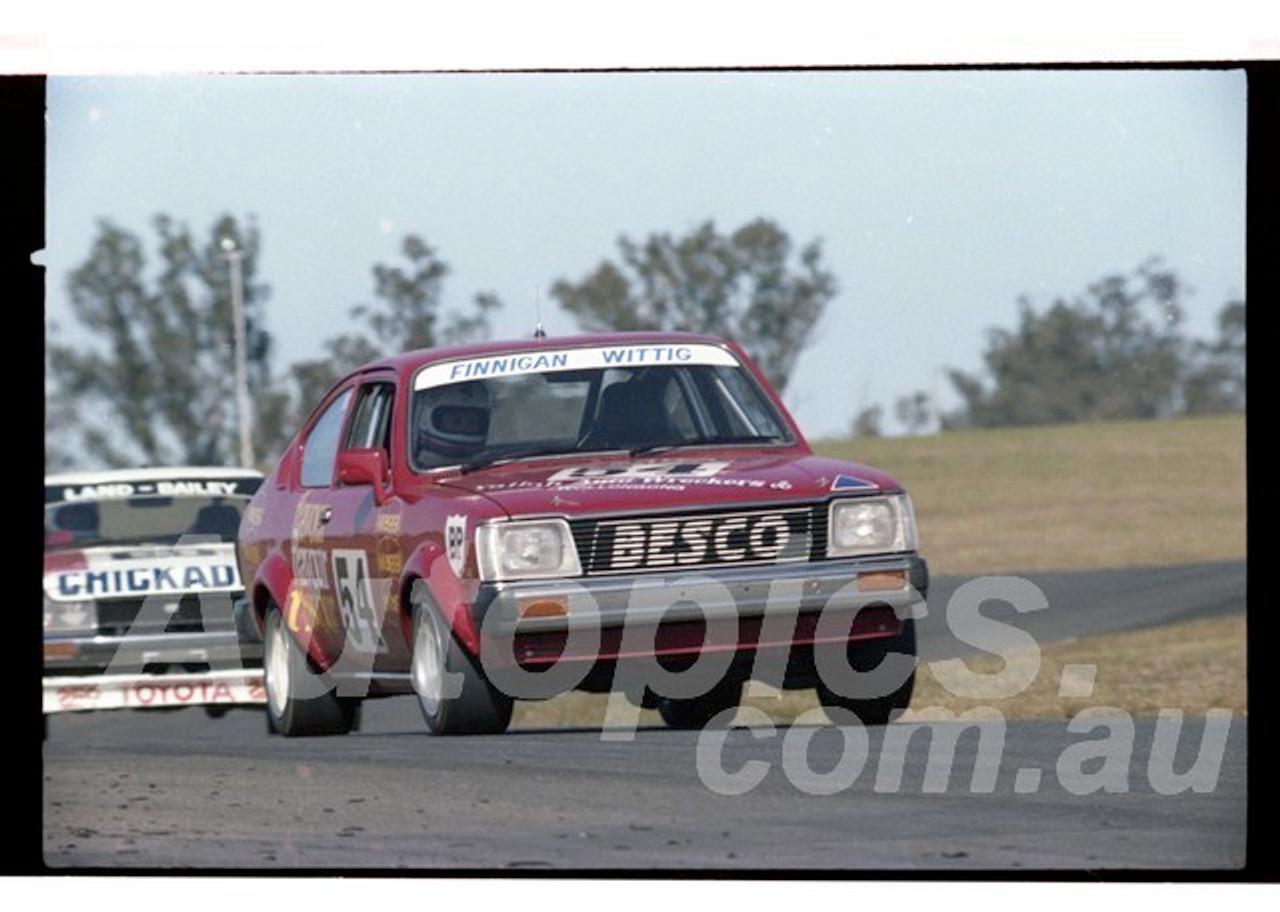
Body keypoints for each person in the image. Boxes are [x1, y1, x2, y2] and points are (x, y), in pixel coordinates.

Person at [414, 380, 492, 466]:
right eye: (456, 421)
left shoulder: (495, 464)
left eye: (473, 422)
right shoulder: (413, 469)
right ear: (426, 420)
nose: (464, 427)